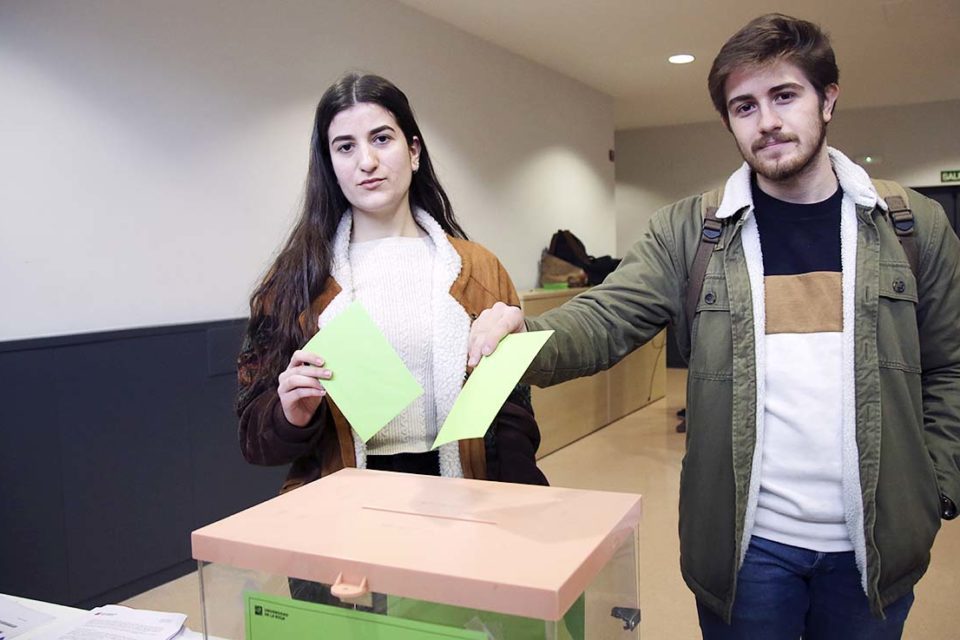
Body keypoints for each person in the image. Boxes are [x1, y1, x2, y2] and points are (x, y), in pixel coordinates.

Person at [468, 14, 959, 640]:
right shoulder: (688, 232)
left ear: (828, 99)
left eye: (785, 95)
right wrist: (524, 340)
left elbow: (950, 365)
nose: (766, 121)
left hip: (877, 547)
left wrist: (936, 488)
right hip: (747, 552)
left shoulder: (909, 226)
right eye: (744, 106)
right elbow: (606, 315)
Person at [237, 74, 546, 506]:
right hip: (344, 508)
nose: (366, 161)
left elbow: (515, 413)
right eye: (345, 147)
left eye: (381, 139)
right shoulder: (295, 282)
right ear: (330, 164)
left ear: (413, 150)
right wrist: (291, 415)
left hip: (466, 497)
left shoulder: (480, 270)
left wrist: (508, 506)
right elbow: (254, 439)